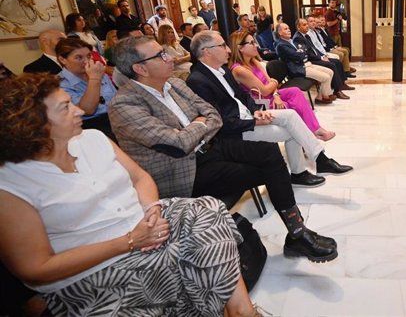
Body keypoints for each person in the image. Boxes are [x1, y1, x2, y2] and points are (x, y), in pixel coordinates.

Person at [0, 73, 259, 317]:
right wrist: (130, 241)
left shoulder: (93, 139)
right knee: (180, 263)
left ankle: (242, 310)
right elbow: (36, 268)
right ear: (33, 125)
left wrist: (152, 212)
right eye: (65, 107)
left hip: (145, 225)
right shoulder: (11, 183)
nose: (80, 110)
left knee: (207, 210)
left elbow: (140, 178)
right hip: (96, 267)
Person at [109, 36, 338, 262]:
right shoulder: (125, 104)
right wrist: (199, 123)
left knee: (269, 154)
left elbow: (213, 116)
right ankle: (287, 233)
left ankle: (297, 233)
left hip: (211, 147)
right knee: (268, 169)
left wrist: (196, 126)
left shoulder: (175, 85)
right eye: (160, 55)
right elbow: (178, 145)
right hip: (184, 171)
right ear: (140, 68)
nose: (170, 57)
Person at [187, 31, 351, 186]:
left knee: (291, 115)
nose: (228, 50)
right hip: (236, 131)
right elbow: (218, 121)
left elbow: (243, 97)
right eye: (223, 46)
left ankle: (318, 160)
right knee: (292, 131)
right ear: (207, 51)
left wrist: (256, 110)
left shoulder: (222, 70)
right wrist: (253, 121)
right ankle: (304, 170)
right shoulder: (198, 80)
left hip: (248, 116)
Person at [229, 30, 335, 141]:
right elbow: (265, 89)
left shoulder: (253, 62)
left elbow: (269, 82)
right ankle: (306, 136)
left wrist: (276, 95)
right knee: (291, 107)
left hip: (271, 95)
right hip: (259, 103)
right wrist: (274, 84)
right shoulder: (239, 70)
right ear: (240, 48)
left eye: (254, 42)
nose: (255, 45)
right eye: (251, 43)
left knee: (295, 91)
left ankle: (315, 130)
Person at [56, 37, 117, 141]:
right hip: (90, 127)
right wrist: (94, 79)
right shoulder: (60, 84)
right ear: (62, 59)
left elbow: (116, 98)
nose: (87, 61)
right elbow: (87, 110)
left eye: (89, 56)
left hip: (116, 118)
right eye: (79, 58)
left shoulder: (99, 73)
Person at [274, 22, 336, 105]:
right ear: (280, 33)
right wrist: (301, 52)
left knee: (330, 72)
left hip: (305, 64)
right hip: (298, 69)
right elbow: (299, 56)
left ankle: (322, 95)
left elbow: (304, 50)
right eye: (285, 29)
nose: (289, 30)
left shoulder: (290, 41)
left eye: (288, 28)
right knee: (326, 77)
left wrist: (301, 52)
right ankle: (323, 97)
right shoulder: (281, 45)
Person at [293, 17, 353, 97]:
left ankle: (342, 84)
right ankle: (337, 90)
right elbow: (308, 54)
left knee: (337, 62)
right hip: (310, 60)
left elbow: (314, 49)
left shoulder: (305, 36)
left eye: (307, 24)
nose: (307, 26)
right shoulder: (298, 38)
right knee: (332, 64)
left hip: (316, 57)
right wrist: (320, 58)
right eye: (304, 25)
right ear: (298, 27)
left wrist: (322, 56)